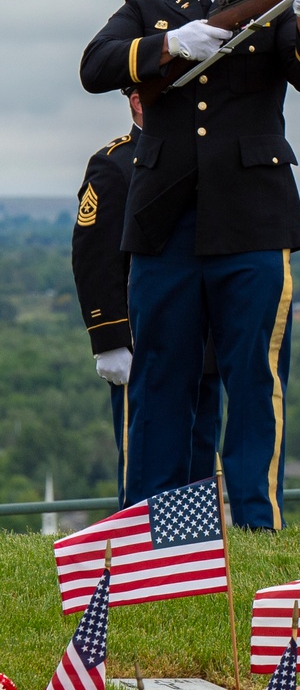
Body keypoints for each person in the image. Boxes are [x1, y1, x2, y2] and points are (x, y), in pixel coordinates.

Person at [80, 0, 300, 529]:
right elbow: (95, 65)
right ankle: (149, 529)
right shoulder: (145, 8)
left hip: (253, 218)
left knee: (254, 379)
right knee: (160, 381)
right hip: (165, 224)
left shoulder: (268, 2)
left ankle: (255, 520)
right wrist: (169, 44)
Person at [71, 86, 223, 505]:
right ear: (137, 101)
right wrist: (110, 339)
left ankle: (193, 558)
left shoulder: (207, 156)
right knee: (145, 474)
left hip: (205, 349)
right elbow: (94, 257)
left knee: (199, 471)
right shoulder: (115, 163)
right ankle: (144, 558)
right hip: (144, 348)